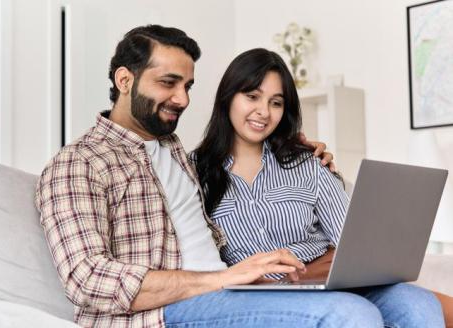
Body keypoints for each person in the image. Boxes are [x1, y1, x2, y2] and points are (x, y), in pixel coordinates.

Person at [35, 25, 441, 328]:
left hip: (230, 291)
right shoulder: (78, 163)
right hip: (165, 311)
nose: (183, 99)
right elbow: (86, 279)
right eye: (168, 83)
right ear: (124, 80)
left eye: (188, 86)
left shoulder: (174, 153)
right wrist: (223, 277)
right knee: (347, 315)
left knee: (416, 306)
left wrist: (311, 155)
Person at [193, 47, 451, 327]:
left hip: (324, 281)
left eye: (276, 102)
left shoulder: (308, 162)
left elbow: (351, 239)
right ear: (228, 96)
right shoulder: (195, 172)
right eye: (252, 97)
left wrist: (332, 268)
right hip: (260, 295)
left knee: (420, 304)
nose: (264, 112)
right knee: (351, 313)